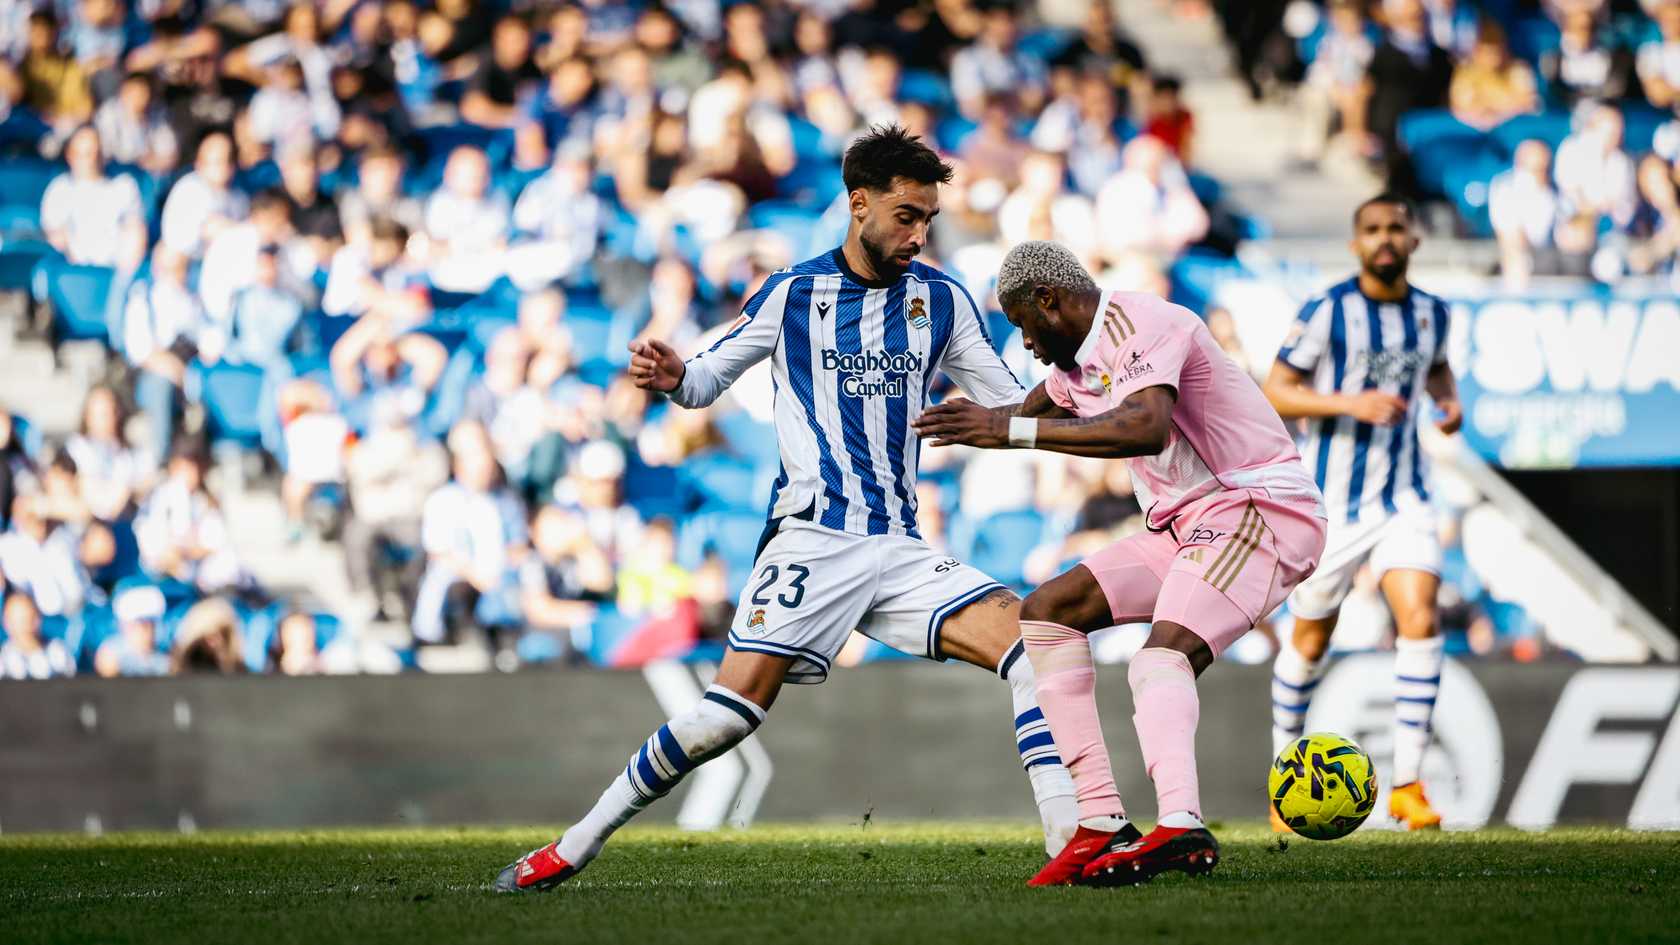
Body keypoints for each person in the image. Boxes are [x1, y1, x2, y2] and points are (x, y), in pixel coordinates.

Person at [494, 125, 1079, 893]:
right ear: (858, 203)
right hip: (812, 542)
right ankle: (573, 845)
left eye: (928, 219)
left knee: (1036, 646)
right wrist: (672, 374)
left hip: (900, 546)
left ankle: (1073, 841)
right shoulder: (794, 293)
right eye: (906, 216)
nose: (918, 233)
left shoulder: (940, 300)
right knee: (723, 719)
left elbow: (1008, 402)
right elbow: (703, 381)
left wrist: (1073, 384)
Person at [912, 240, 1327, 886]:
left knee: (1158, 657)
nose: (1024, 342)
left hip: (1257, 506)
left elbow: (1145, 427)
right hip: (1187, 525)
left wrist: (1010, 430)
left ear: (1049, 300)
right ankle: (1101, 819)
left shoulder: (1145, 322)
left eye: (1023, 324)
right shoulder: (1075, 366)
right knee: (1048, 610)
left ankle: (1182, 822)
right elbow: (1019, 413)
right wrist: (955, 422)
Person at [1261, 194, 1463, 832]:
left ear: (1413, 241)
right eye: (1372, 230)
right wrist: (1352, 404)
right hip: (1331, 504)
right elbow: (1276, 390)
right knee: (1311, 639)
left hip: (1406, 496)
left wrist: (1447, 401)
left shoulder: (1434, 314)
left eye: (1395, 229)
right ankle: (1282, 775)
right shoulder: (1328, 311)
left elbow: (1435, 369)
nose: (1384, 239)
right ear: (1355, 244)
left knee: (1420, 617)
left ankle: (1407, 783)